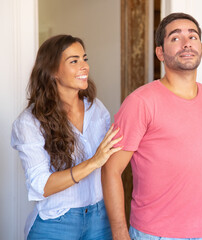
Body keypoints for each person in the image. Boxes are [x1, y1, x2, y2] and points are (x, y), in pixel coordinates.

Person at [102, 13, 202, 240]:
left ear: (201, 46)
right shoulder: (140, 102)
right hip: (154, 234)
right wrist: (120, 233)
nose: (186, 43)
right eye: (175, 38)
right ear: (160, 52)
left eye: (193, 36)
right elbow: (111, 170)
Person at [11, 34, 122, 240]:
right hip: (56, 223)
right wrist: (93, 163)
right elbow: (41, 186)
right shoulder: (29, 122)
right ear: (53, 71)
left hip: (100, 218)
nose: (84, 66)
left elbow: (113, 159)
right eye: (74, 61)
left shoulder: (96, 108)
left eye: (84, 59)